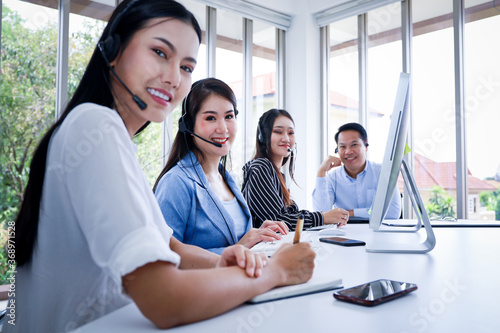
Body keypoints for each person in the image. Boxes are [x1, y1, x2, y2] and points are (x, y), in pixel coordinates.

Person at [6, 1, 315, 332]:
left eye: (186, 66)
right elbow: (162, 299)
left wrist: (221, 261)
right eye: (159, 52)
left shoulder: (111, 140)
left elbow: (169, 246)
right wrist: (276, 272)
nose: (173, 78)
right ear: (113, 49)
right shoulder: (95, 127)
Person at [153, 78, 288, 254]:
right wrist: (237, 248)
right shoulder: (176, 183)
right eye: (211, 118)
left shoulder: (226, 178)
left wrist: (257, 234)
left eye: (229, 116)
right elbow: (162, 258)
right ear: (189, 125)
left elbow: (234, 240)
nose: (223, 128)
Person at [241, 109, 349, 230]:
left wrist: (326, 216)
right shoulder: (260, 167)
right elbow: (278, 222)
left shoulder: (277, 174)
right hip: (262, 247)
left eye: (291, 133)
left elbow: (290, 215)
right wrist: (323, 217)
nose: (286, 138)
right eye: (278, 131)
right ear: (262, 137)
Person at [312, 122, 401, 219]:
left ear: (365, 146)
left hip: (378, 232)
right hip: (344, 233)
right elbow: (322, 214)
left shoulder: (382, 172)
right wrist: (321, 172)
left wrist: (349, 213)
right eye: (342, 147)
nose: (348, 152)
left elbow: (393, 212)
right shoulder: (332, 178)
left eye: (354, 145)